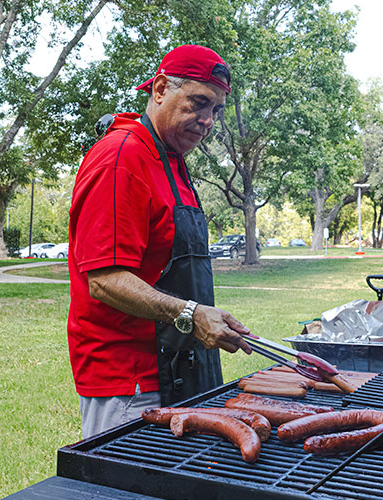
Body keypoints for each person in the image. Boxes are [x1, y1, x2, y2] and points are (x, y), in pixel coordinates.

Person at [67, 45, 252, 439]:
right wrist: (192, 313)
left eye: (216, 110)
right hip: (131, 383)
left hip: (179, 372)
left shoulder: (171, 160)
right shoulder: (122, 157)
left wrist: (204, 316)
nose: (207, 121)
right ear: (161, 88)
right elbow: (105, 279)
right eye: (198, 103)